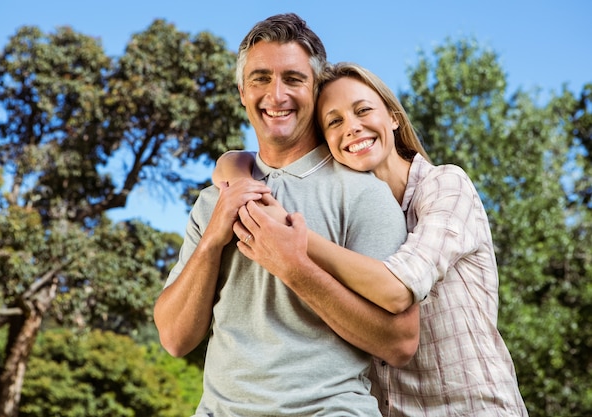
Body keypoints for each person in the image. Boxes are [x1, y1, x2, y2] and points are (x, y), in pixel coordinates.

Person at [215, 62, 529, 416]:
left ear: (393, 117)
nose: (352, 127)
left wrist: (294, 244)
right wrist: (235, 169)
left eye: (363, 110)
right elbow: (235, 161)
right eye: (334, 122)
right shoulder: (352, 213)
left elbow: (397, 290)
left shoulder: (445, 187)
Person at [153, 14, 420, 417]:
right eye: (260, 78)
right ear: (242, 91)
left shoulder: (364, 194)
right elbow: (174, 338)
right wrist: (211, 240)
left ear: (315, 90)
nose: (276, 95)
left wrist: (295, 268)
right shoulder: (215, 199)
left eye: (293, 79)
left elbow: (400, 344)